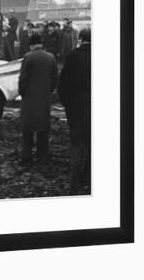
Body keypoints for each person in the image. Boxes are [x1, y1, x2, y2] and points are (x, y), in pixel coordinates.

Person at [58, 28, 91, 194]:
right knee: (93, 146)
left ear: (80, 39)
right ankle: (90, 180)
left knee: (77, 147)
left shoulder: (73, 56)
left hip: (76, 111)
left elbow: (62, 85)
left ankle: (74, 186)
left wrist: (67, 105)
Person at [18, 31, 58, 164]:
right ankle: (43, 157)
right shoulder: (51, 57)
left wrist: (23, 93)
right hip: (44, 99)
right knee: (43, 129)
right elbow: (54, 79)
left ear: (31, 45)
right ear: (41, 44)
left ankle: (26, 156)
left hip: (29, 98)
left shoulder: (28, 57)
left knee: (27, 129)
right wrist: (47, 92)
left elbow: (23, 79)